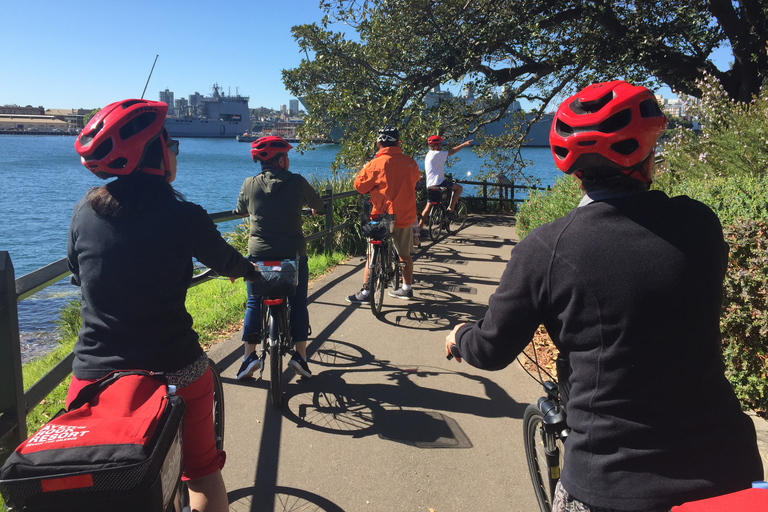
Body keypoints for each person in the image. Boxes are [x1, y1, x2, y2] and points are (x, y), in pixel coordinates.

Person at [445, 81, 763, 511]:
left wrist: (461, 335)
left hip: (613, 483)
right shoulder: (699, 225)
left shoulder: (547, 249)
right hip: (730, 472)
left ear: (572, 169)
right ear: (649, 152)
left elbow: (491, 349)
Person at [68, 99, 260, 512]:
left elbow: (77, 274)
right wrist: (250, 272)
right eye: (171, 143)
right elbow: (225, 259)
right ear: (155, 153)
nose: (175, 150)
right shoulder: (185, 216)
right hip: (174, 365)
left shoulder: (84, 212)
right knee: (202, 471)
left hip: (94, 376)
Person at [234, 136, 325, 380]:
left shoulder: (249, 183)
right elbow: (320, 205)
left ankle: (248, 357)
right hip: (292, 256)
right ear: (281, 160)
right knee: (297, 302)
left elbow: (240, 209)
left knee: (254, 302)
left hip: (259, 256)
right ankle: (301, 357)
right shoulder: (297, 182)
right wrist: (314, 208)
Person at [346, 126, 421, 302]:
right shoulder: (410, 162)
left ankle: (366, 292)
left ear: (379, 143)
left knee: (372, 253)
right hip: (404, 214)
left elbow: (359, 187)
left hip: (380, 215)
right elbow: (416, 181)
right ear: (398, 142)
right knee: (404, 253)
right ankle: (406, 288)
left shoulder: (374, 164)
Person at [419, 135, 471, 229]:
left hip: (430, 185)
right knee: (459, 188)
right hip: (439, 183)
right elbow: (452, 151)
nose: (441, 145)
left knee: (428, 206)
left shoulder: (429, 154)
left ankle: (419, 228)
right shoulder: (436, 154)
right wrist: (463, 144)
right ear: (435, 146)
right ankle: (450, 210)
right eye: (440, 144)